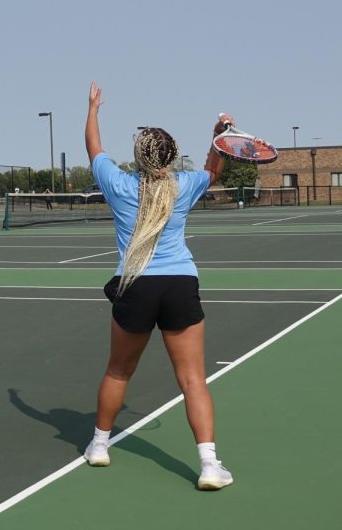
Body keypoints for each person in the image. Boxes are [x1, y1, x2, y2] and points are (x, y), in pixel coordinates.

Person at [82, 82, 234, 491]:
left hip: (136, 287)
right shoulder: (184, 186)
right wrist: (219, 136)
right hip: (179, 285)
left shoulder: (117, 183)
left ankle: (99, 445)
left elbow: (93, 146)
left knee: (118, 371)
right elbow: (213, 168)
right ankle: (209, 465)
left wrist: (93, 108)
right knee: (192, 379)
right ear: (171, 155)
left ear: (138, 156)